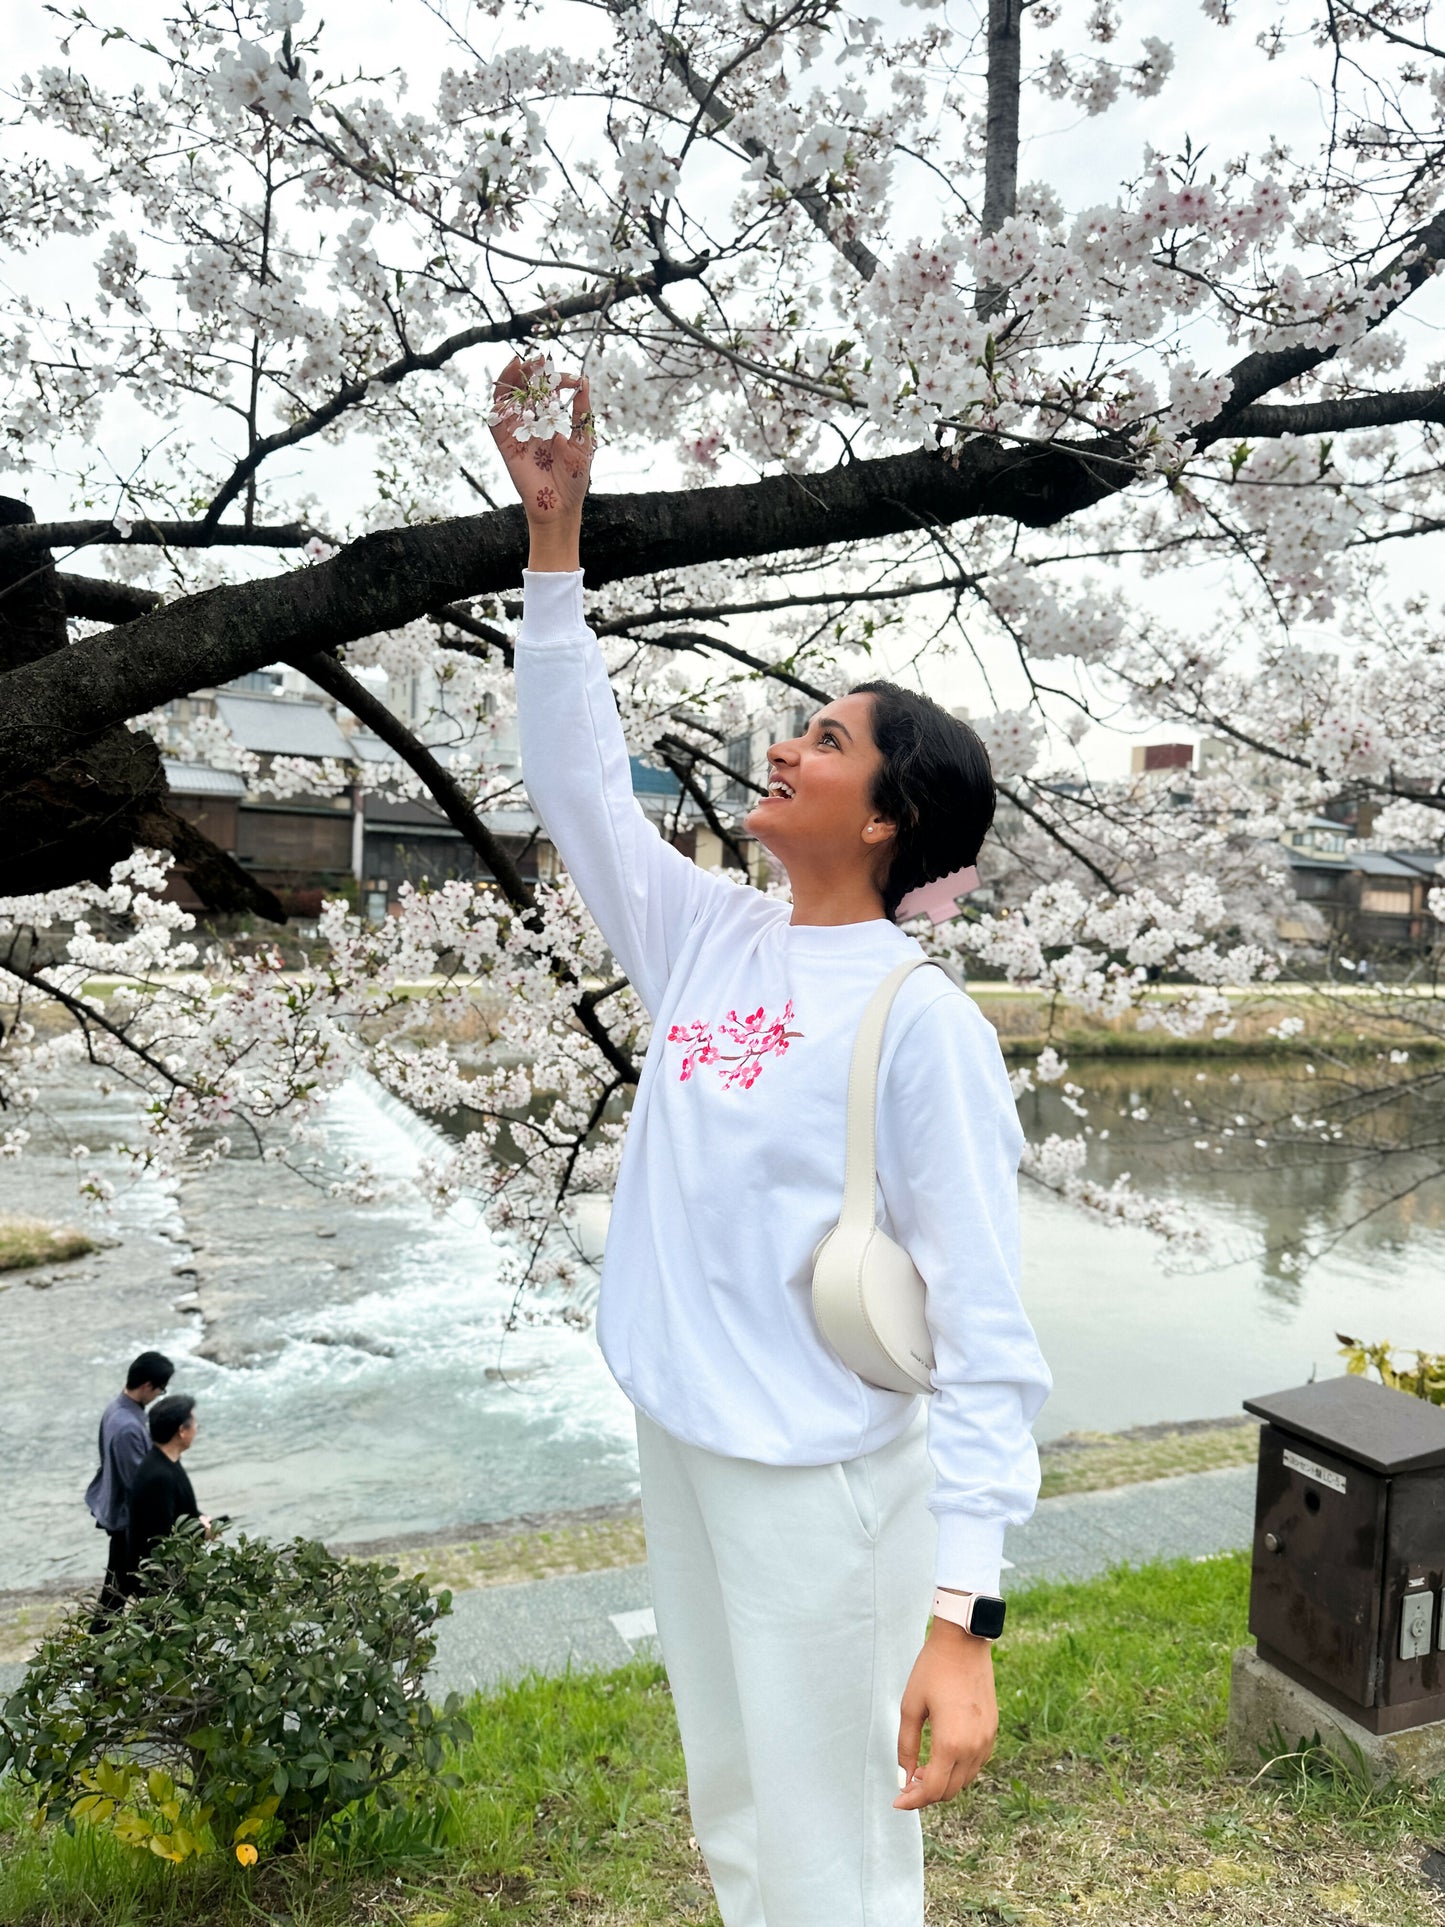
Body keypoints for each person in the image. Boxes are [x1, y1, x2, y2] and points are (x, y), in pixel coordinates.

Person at [490, 355, 1052, 1927]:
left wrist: (963, 1613)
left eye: (827, 737)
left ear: (887, 816)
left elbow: (990, 1331)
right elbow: (578, 786)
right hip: (686, 1431)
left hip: (825, 1478)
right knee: (738, 1799)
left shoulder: (921, 1022)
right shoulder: (708, 939)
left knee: (834, 1846)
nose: (786, 748)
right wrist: (555, 553)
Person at [85, 1349, 174, 1629]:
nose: (160, 1394)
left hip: (119, 1518)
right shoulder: (127, 1427)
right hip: (131, 1526)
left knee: (114, 1598)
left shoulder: (117, 1410)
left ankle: (94, 1659)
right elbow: (140, 1485)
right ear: (147, 1385)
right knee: (161, 1602)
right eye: (161, 1389)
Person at [123, 1393, 208, 1594]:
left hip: (172, 1575)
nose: (196, 1429)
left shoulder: (167, 1461)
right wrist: (203, 1530)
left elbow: (179, 1509)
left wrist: (200, 1518)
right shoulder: (158, 1475)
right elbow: (161, 1535)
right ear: (182, 1431)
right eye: (194, 1424)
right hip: (160, 1583)